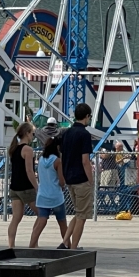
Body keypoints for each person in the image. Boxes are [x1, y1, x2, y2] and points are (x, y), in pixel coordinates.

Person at [59, 103, 94, 249]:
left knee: (78, 212)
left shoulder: (66, 133)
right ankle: (73, 248)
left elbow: (62, 156)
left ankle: (65, 242)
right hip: (81, 178)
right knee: (82, 216)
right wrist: (91, 180)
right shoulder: (84, 134)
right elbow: (85, 160)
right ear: (87, 116)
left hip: (69, 178)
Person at [30, 136, 67, 248]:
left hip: (42, 195)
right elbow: (61, 180)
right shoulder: (57, 161)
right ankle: (68, 245)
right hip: (56, 196)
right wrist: (63, 185)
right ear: (57, 147)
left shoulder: (41, 160)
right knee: (62, 223)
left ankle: (31, 246)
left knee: (41, 221)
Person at [7, 123, 38, 248]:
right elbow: (29, 171)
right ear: (27, 133)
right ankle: (33, 244)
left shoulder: (14, 149)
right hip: (26, 187)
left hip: (14, 187)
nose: (33, 136)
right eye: (32, 133)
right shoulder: (28, 150)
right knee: (42, 214)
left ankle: (11, 246)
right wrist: (37, 186)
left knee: (16, 217)